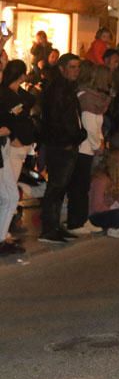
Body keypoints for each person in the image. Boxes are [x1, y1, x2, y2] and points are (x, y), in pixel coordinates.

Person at [37, 54, 87, 243]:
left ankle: (55, 226)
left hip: (68, 143)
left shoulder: (66, 88)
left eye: (78, 67)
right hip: (61, 145)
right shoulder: (57, 90)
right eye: (72, 67)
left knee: (60, 187)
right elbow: (57, 120)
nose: (76, 71)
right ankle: (49, 229)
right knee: (56, 187)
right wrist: (71, 139)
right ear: (62, 68)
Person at [70, 63, 112, 236]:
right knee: (79, 186)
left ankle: (81, 218)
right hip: (84, 148)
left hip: (89, 147)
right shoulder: (87, 98)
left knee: (83, 186)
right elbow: (89, 126)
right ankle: (75, 221)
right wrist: (98, 144)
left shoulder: (94, 99)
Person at [0, 60, 36, 255]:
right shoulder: (5, 95)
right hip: (7, 149)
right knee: (9, 195)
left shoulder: (13, 95)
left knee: (9, 195)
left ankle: (2, 236)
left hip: (6, 149)